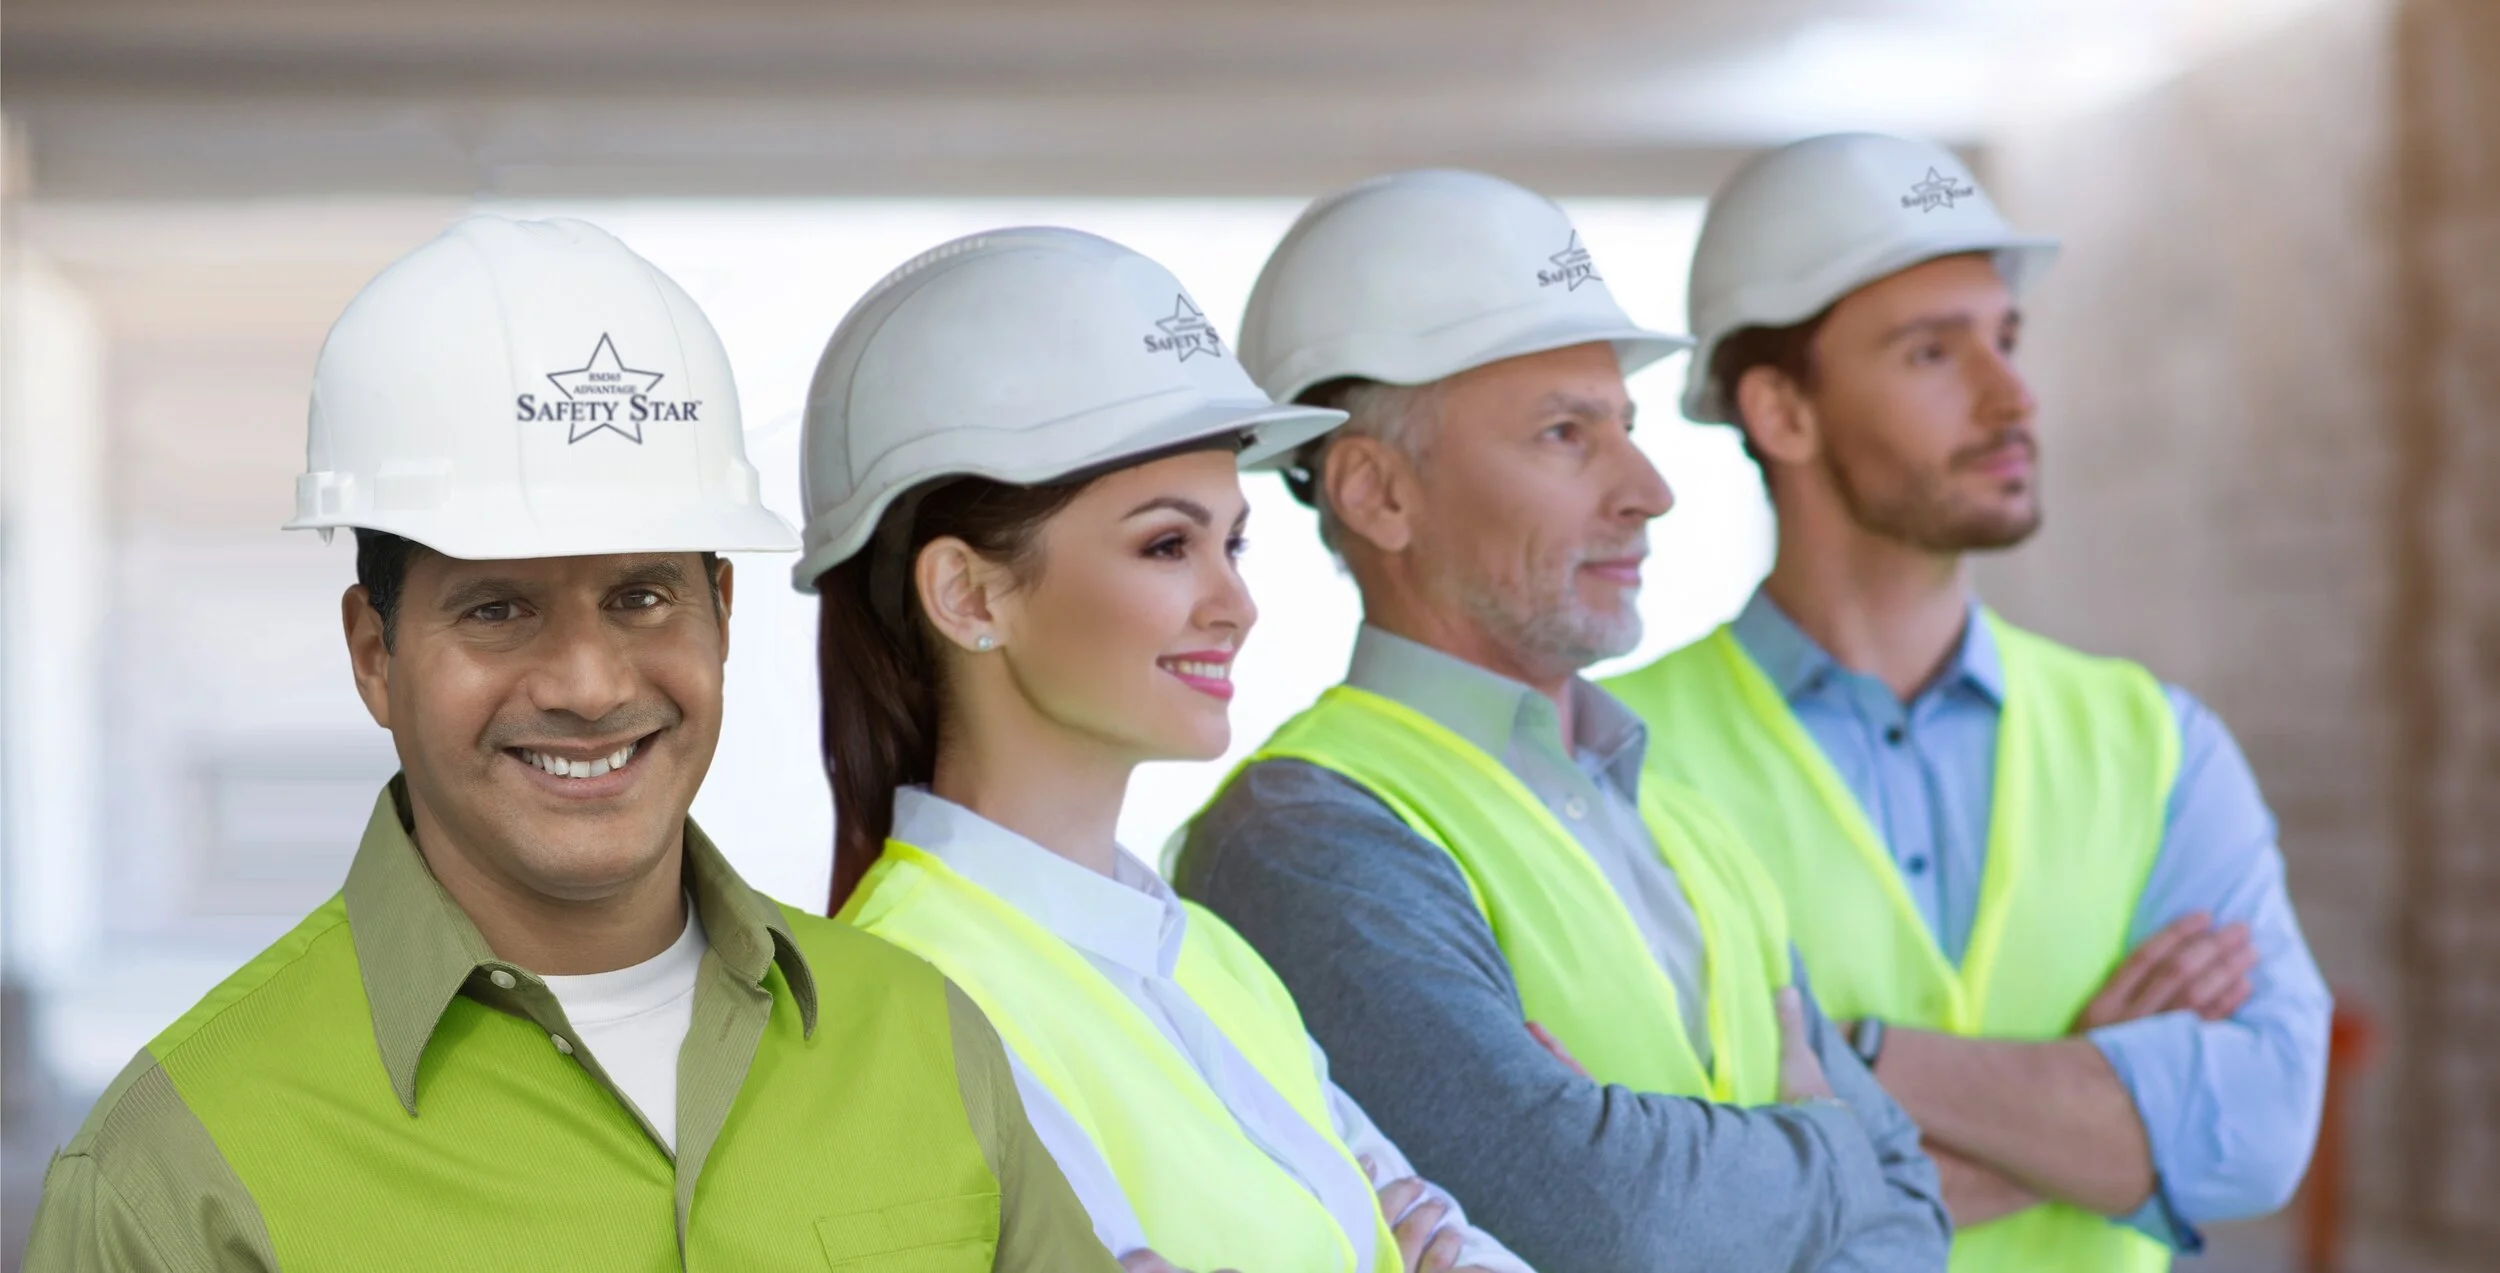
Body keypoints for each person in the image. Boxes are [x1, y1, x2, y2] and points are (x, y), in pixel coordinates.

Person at [25, 216, 1115, 1271]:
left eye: (641, 595)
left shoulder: (919, 1036)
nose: (591, 686)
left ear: (722, 612)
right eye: (497, 608)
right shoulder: (178, 1172)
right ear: (374, 652)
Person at [1176, 169, 1950, 1272]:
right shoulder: (1302, 842)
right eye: (1562, 434)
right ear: (1377, 493)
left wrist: (1676, 1170)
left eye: (1625, 427)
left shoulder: (1678, 815)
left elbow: (1913, 1217)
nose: (1646, 487)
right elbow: (1609, 1223)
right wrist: (1831, 1147)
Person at [1603, 132, 2331, 1271]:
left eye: (2004, 338)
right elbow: (1650, 1206)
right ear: (1782, 412)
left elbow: (2256, 1135)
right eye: (1931, 353)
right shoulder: (1608, 762)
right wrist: (2083, 1085)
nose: (2011, 395)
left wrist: (1852, 1059)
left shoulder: (2157, 745)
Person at [800, 225, 1534, 1273]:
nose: (1234, 604)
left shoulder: (1210, 958)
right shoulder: (910, 1001)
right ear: (969, 594)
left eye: (1230, 541)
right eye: (1165, 544)